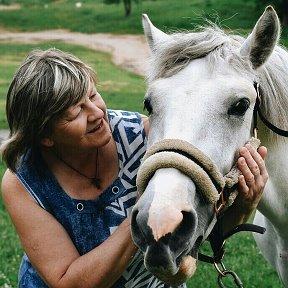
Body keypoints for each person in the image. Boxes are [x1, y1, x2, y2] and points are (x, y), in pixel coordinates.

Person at [1, 48, 268, 288]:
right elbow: (68, 283)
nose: (96, 113)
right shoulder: (24, 181)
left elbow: (198, 232)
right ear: (45, 136)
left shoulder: (146, 140)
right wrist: (143, 215)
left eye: (93, 95)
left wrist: (244, 204)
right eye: (75, 112)